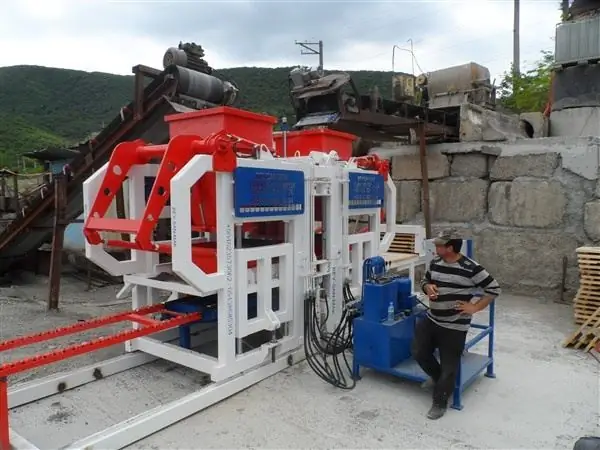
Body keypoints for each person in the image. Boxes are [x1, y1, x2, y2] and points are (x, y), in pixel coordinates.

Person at [412, 229, 501, 420]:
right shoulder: (436, 262)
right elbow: (426, 280)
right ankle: (439, 381)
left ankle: (440, 401)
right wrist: (428, 287)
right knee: (419, 352)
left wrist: (475, 307)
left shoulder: (471, 268)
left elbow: (494, 289)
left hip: (454, 325)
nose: (435, 248)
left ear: (450, 248)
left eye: (439, 245)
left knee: (449, 366)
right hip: (433, 318)